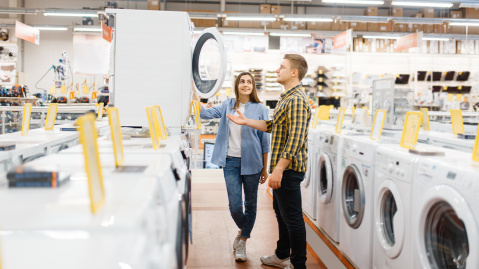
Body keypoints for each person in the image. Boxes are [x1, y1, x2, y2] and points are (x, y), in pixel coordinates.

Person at [227, 54, 310, 269]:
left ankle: (298, 264)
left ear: (294, 72)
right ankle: (281, 255)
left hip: (289, 169)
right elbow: (272, 125)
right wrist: (246, 121)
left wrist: (279, 169)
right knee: (281, 214)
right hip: (282, 168)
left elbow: (295, 138)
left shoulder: (297, 100)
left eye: (281, 67)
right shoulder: (287, 97)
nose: (277, 70)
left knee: (292, 218)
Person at [193, 72, 270, 262]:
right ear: (237, 85)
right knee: (235, 206)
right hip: (230, 162)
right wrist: (192, 91)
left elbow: (265, 141)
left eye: (249, 82)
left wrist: (265, 168)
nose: (245, 84)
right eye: (242, 81)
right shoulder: (228, 104)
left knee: (251, 205)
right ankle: (244, 232)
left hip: (253, 163)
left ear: (253, 86)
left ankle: (242, 240)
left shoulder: (260, 108)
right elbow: (204, 113)